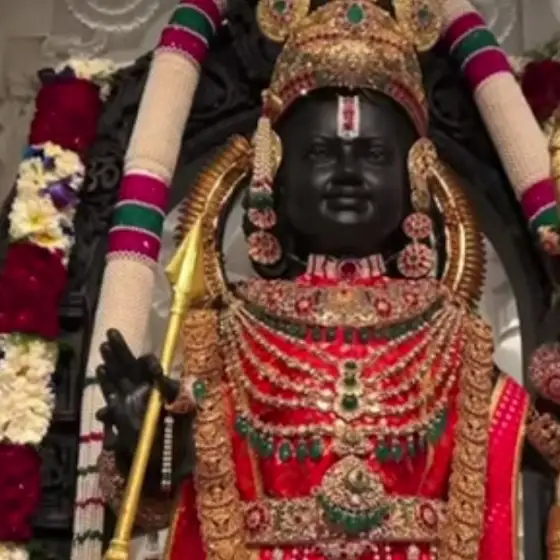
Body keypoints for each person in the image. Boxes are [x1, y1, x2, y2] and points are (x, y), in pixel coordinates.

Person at [95, 1, 560, 559]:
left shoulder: (453, 341)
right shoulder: (226, 341)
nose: (346, 173)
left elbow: (537, 444)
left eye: (372, 153)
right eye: (320, 152)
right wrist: (149, 446)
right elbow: (146, 509)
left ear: (416, 174)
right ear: (273, 173)